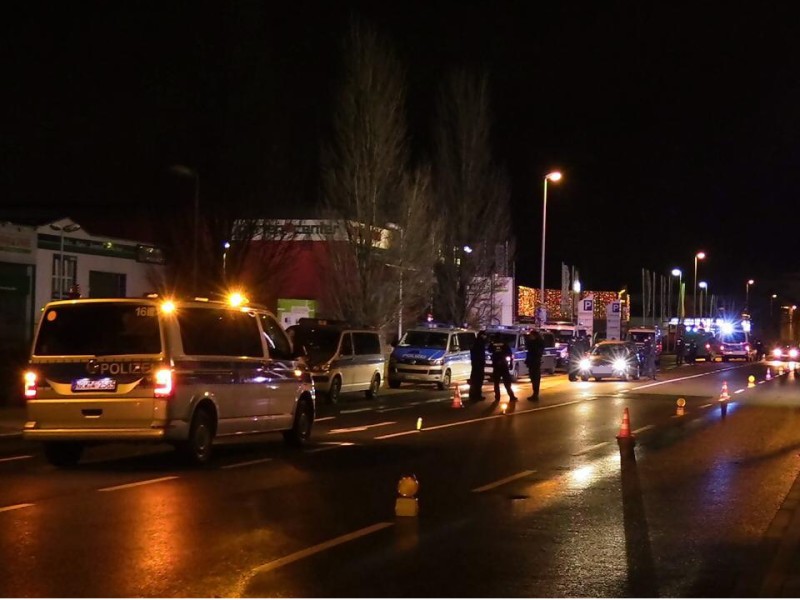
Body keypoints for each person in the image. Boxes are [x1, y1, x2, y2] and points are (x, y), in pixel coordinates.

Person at [489, 337, 517, 403]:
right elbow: (510, 354)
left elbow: (489, 350)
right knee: (507, 383)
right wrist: (511, 364)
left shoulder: (492, 344)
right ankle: (511, 396)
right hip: (504, 366)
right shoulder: (504, 344)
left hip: (496, 366)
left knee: (496, 383)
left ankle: (497, 397)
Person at [525, 329, 545, 401]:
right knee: (533, 379)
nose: (530, 337)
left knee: (535, 379)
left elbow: (537, 352)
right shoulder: (533, 342)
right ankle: (534, 394)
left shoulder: (537, 343)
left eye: (531, 335)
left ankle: (535, 395)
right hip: (532, 362)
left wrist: (531, 344)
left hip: (535, 363)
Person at [469, 330, 488, 401]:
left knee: (474, 380)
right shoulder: (480, 343)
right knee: (478, 381)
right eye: (484, 335)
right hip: (478, 364)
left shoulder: (475, 342)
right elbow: (480, 354)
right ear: (482, 336)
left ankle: (472, 395)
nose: (485, 337)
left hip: (475, 364)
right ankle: (477, 395)